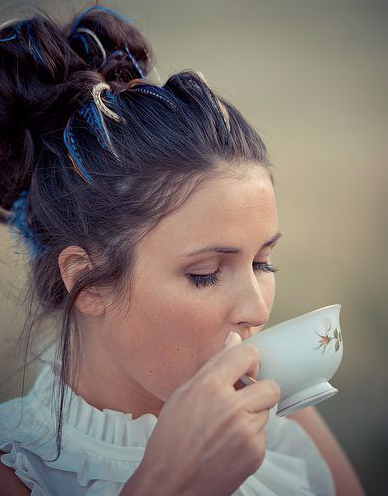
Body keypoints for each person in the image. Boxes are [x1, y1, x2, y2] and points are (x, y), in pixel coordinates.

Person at [0, 5, 367, 496]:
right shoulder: (20, 473)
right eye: (206, 274)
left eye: (263, 263)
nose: (257, 310)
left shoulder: (281, 416)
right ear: (87, 281)